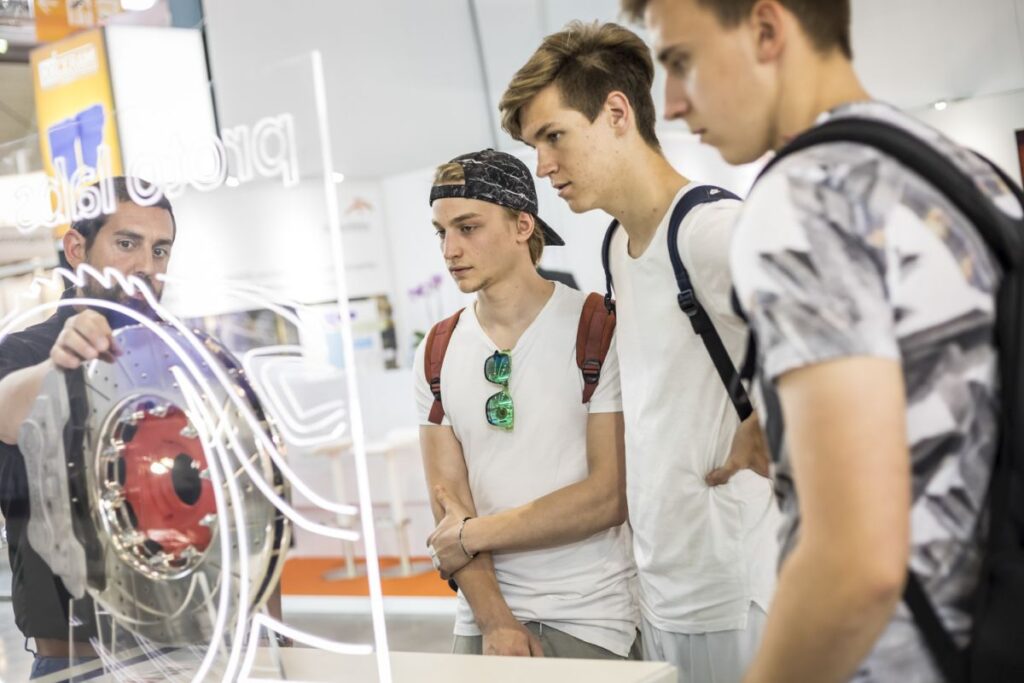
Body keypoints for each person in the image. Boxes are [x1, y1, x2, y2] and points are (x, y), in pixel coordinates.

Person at [625, 0, 1021, 680]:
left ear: (766, 29)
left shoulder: (805, 197)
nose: (675, 104)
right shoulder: (962, 171)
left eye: (681, 62)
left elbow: (854, 563)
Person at [497, 21, 779, 683]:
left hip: (741, 592)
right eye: (536, 145)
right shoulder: (617, 249)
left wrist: (781, 412)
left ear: (617, 113)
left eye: (553, 135)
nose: (543, 165)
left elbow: (857, 327)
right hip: (660, 592)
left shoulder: (711, 231)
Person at [415, 149, 640, 659]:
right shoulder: (437, 348)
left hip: (593, 617)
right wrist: (496, 622)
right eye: (441, 232)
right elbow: (448, 503)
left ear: (522, 224)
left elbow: (608, 497)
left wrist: (472, 535)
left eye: (468, 227)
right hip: (482, 622)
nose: (450, 250)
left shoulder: (598, 328)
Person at [0, 177, 176, 679]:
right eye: (127, 244)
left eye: (160, 250)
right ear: (76, 249)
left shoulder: (173, 358)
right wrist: (60, 367)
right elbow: (7, 414)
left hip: (186, 649)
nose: (146, 266)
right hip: (78, 663)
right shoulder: (25, 353)